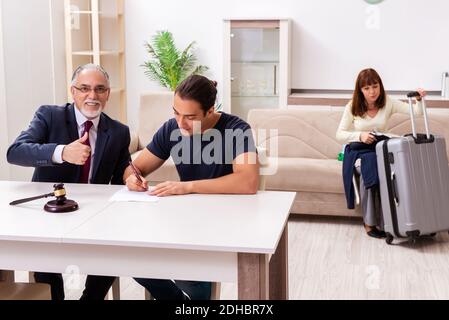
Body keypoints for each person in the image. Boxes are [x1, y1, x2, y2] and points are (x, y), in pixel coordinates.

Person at [81, 74, 260, 300]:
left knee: (190, 275)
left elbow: (247, 181)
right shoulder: (172, 130)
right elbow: (133, 167)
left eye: (190, 117)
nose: (180, 123)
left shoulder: (236, 129)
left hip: (222, 225)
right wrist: (131, 178)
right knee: (130, 257)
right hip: (183, 222)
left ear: (210, 110)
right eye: (176, 112)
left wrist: (188, 187)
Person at [6, 64, 131, 300]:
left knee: (112, 249)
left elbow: (121, 173)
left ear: (108, 94)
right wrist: (61, 152)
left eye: (99, 89)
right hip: (49, 214)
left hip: (95, 215)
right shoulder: (49, 115)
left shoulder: (118, 131)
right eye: (84, 88)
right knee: (46, 263)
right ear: (73, 91)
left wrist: (131, 176)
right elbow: (15, 152)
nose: (92, 96)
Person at [336, 68, 426, 238]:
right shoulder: (352, 106)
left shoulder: (388, 102)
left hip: (380, 149)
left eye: (375, 86)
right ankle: (369, 223)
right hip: (359, 152)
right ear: (360, 90)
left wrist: (419, 100)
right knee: (369, 172)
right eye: (367, 88)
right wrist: (360, 135)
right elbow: (339, 134)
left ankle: (391, 221)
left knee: (391, 173)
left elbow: (416, 112)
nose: (372, 92)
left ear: (380, 86)